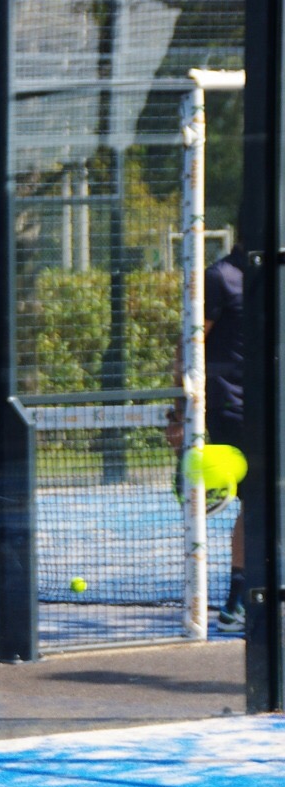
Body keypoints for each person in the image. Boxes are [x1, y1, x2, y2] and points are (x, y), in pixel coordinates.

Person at [167, 225, 247, 631]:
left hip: (273, 407)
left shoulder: (274, 279)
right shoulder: (221, 277)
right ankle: (238, 604)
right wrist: (178, 415)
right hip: (232, 407)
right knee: (261, 503)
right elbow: (187, 348)